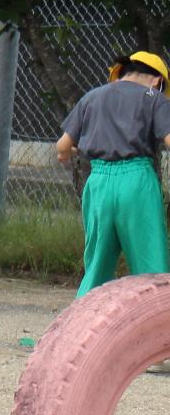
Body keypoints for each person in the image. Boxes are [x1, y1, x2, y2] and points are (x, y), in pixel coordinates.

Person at [57, 53, 170, 295]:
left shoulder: (93, 96)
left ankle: (80, 329)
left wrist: (70, 153)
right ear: (157, 81)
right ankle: (161, 328)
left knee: (96, 267)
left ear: (120, 74)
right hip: (136, 180)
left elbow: (63, 146)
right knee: (152, 268)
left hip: (98, 183)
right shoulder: (154, 98)